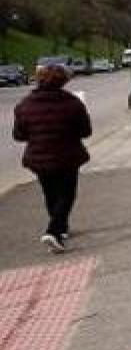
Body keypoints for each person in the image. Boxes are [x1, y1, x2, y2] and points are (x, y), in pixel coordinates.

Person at [12, 63, 92, 253]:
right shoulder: (73, 103)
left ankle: (60, 229)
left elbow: (19, 135)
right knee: (67, 195)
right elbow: (86, 131)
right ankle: (53, 231)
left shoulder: (24, 105)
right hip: (67, 156)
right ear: (63, 81)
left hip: (39, 159)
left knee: (50, 194)